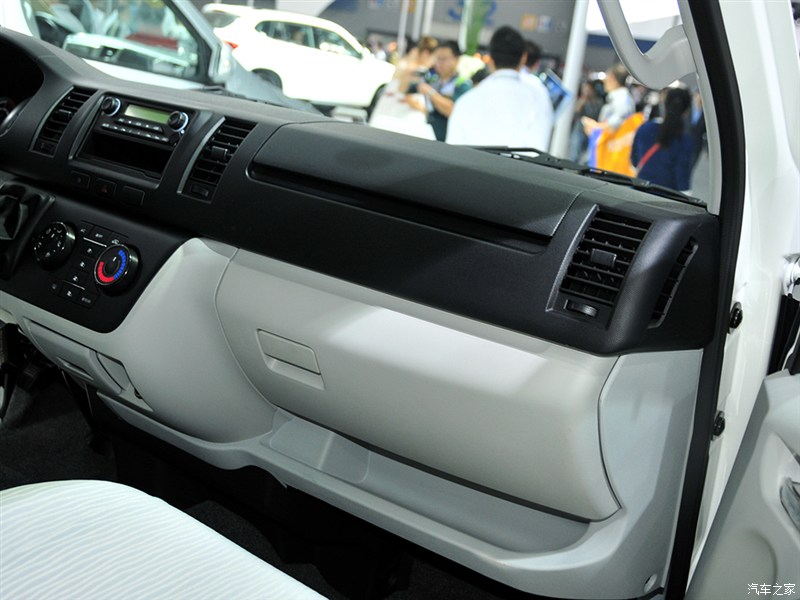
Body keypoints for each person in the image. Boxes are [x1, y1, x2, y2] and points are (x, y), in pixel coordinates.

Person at [446, 26, 553, 149]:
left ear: (490, 59)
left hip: (472, 161)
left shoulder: (466, 100)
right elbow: (538, 149)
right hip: (518, 162)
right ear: (523, 58)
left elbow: (453, 150)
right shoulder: (539, 98)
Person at [402, 41, 472, 142]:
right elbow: (407, 91)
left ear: (457, 59)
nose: (440, 63)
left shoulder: (463, 85)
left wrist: (430, 92)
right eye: (437, 58)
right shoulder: (433, 80)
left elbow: (452, 110)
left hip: (448, 141)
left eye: (444, 59)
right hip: (427, 135)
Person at [630, 86, 694, 191]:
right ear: (686, 111)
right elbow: (681, 176)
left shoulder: (645, 128)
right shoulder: (684, 141)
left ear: (664, 104)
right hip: (666, 196)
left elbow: (634, 160)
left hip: (640, 189)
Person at [568, 80, 604, 162]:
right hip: (580, 128)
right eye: (584, 89)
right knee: (575, 150)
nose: (586, 91)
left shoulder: (599, 102)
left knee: (588, 153)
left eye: (588, 89)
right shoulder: (582, 101)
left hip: (592, 129)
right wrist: (582, 101)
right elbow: (576, 112)